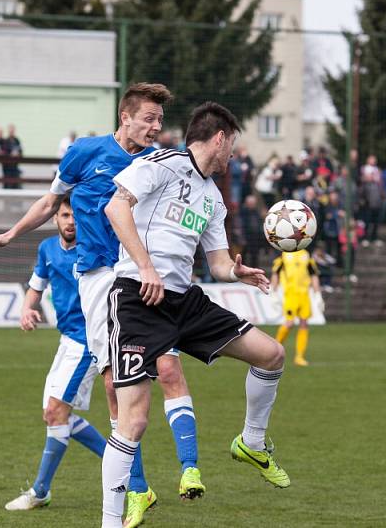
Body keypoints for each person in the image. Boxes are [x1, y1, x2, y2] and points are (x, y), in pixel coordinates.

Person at [0, 83, 205, 528]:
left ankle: (189, 468)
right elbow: (50, 201)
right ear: (126, 117)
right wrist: (10, 234)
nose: (156, 128)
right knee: (113, 386)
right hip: (99, 280)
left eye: (160, 121)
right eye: (149, 119)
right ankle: (138, 488)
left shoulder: (155, 162)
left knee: (169, 368)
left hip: (141, 275)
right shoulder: (86, 153)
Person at [101, 101, 289, 528]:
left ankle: (252, 441)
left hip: (184, 301)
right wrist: (145, 266)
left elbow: (218, 263)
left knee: (271, 354)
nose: (232, 157)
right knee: (134, 421)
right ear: (219, 138)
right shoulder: (162, 163)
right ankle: (110, 522)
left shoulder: (213, 198)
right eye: (233, 147)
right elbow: (116, 208)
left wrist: (236, 273)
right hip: (137, 297)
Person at [5, 196, 107, 511]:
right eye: (65, 215)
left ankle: (40, 490)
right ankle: (125, 462)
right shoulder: (47, 249)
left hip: (89, 341)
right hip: (67, 341)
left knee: (55, 412)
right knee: (54, 415)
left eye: (75, 216)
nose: (70, 221)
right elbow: (36, 286)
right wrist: (26, 309)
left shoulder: (94, 250)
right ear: (55, 219)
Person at [271, 250, 323, 367]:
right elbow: (276, 273)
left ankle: (299, 357)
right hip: (290, 295)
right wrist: (273, 292)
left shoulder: (306, 254)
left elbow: (313, 275)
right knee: (289, 323)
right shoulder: (284, 254)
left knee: (304, 323)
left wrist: (317, 294)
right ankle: (273, 348)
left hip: (304, 295)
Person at [3, 124, 23, 189]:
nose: (11, 131)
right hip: (7, 166)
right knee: (7, 183)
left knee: (16, 183)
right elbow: (4, 151)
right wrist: (10, 154)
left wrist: (18, 154)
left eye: (13, 130)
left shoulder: (17, 140)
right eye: (10, 130)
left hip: (15, 165)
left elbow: (20, 150)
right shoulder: (5, 141)